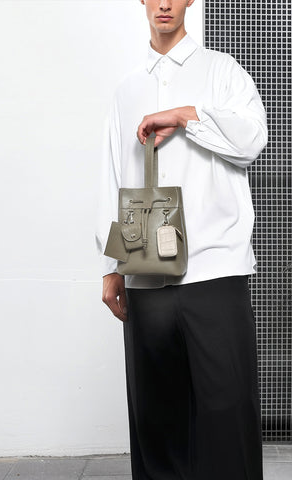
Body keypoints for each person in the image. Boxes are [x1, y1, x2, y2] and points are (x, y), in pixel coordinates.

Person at [95, 1, 268, 478]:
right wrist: (110, 267)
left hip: (216, 270)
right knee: (156, 427)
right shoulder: (127, 90)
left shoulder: (222, 72)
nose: (165, 4)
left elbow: (251, 141)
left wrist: (186, 115)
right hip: (145, 275)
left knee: (228, 419)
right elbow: (114, 178)